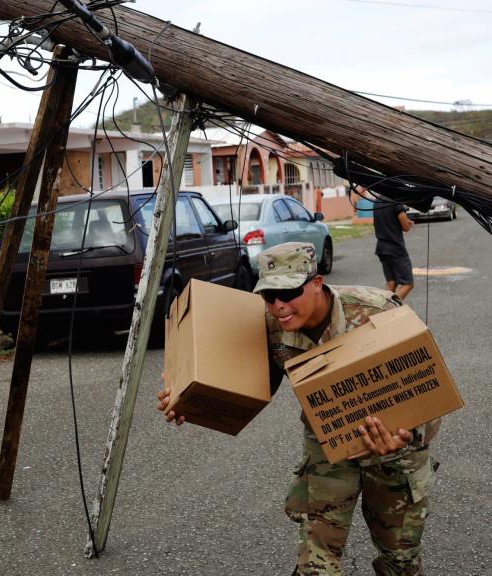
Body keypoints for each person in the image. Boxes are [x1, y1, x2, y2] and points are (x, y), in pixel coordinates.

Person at [157, 242, 438, 576]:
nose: (279, 306)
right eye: (268, 296)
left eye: (289, 292)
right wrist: (190, 401)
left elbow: (426, 387)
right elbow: (246, 385)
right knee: (316, 562)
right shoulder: (270, 323)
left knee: (400, 560)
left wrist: (404, 436)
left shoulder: (378, 310)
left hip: (393, 448)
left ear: (317, 283)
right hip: (329, 443)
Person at [372, 195, 414, 300]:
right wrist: (408, 223)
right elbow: (405, 227)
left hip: (382, 248)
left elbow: (387, 220)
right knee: (408, 284)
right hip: (395, 248)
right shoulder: (396, 201)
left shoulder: (377, 201)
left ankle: (383, 308)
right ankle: (391, 308)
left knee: (391, 283)